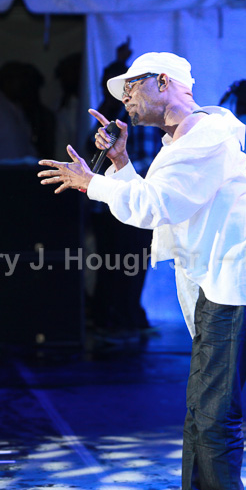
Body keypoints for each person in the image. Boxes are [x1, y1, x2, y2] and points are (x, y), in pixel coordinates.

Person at [38, 52, 246, 490]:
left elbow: (156, 206)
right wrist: (119, 163)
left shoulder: (207, 136)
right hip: (215, 283)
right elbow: (152, 203)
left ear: (162, 81)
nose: (125, 99)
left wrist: (92, 183)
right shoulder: (180, 141)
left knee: (215, 417)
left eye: (131, 87)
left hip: (234, 282)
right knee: (201, 413)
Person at [85, 39, 160, 337]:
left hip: (129, 198)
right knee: (116, 262)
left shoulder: (135, 113)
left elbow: (147, 160)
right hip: (114, 201)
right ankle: (112, 316)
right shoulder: (116, 113)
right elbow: (96, 153)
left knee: (129, 262)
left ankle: (125, 315)